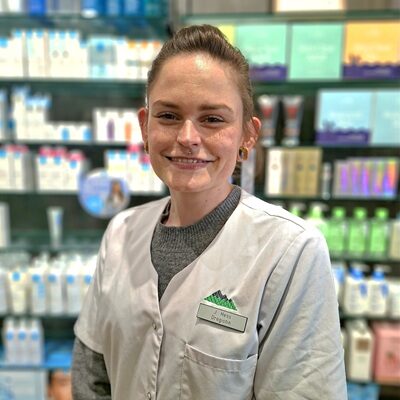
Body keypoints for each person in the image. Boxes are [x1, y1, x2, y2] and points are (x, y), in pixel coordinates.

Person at [72, 24, 347, 399]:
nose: (187, 137)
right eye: (168, 116)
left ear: (248, 135)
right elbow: (91, 375)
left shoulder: (291, 251)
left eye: (213, 119)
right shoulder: (122, 231)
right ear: (145, 127)